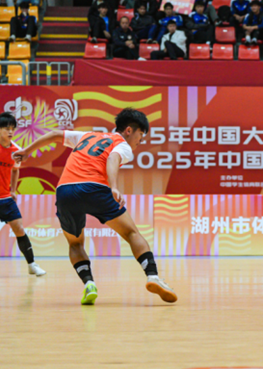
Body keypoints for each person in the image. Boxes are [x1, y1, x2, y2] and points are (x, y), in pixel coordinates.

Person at [13, 109, 178, 305]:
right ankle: (152, 276)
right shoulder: (122, 145)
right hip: (95, 188)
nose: (140, 141)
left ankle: (89, 284)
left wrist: (27, 151)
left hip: (65, 191)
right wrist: (113, 186)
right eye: (140, 135)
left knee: (75, 244)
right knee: (131, 233)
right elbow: (113, 159)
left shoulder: (87, 136)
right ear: (128, 130)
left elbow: (55, 134)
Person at [0, 113, 46, 277]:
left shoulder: (16, 151)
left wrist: (13, 190)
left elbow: (15, 170)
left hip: (5, 198)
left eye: (13, 129)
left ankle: (32, 265)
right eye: (6, 128)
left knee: (19, 229)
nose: (10, 132)